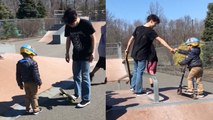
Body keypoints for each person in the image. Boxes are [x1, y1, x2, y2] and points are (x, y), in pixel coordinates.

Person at [125, 14, 175, 95]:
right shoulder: (150, 31)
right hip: (142, 55)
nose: (155, 26)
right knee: (139, 72)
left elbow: (131, 39)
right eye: (155, 24)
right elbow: (160, 40)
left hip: (134, 53)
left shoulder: (138, 28)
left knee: (136, 70)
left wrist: (127, 49)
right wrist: (170, 48)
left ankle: (133, 87)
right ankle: (138, 90)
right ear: (151, 21)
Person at [63, 8, 96, 108]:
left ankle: (86, 99)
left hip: (86, 55)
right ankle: (77, 94)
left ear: (76, 17)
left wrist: (93, 52)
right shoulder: (68, 26)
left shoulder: (86, 24)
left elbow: (93, 37)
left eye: (72, 24)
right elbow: (68, 39)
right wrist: (67, 53)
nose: (71, 26)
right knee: (76, 76)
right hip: (76, 55)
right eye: (69, 24)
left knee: (85, 77)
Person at [16, 44, 42, 115]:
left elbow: (18, 74)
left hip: (25, 83)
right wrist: (39, 82)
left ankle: (27, 109)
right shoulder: (33, 63)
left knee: (27, 96)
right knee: (34, 96)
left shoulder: (19, 63)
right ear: (30, 53)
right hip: (33, 83)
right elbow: (36, 74)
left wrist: (20, 84)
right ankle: (36, 109)